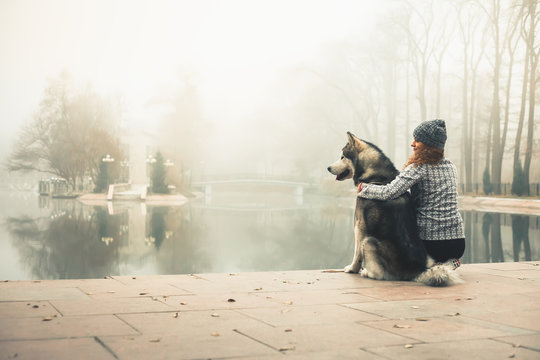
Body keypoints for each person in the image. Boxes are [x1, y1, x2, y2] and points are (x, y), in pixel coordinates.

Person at [357, 119, 465, 268]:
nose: (412, 144)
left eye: (417, 141)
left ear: (429, 145)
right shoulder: (451, 166)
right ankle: (449, 263)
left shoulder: (419, 167)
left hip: (430, 244)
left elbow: (388, 192)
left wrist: (363, 188)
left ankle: (424, 264)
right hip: (457, 245)